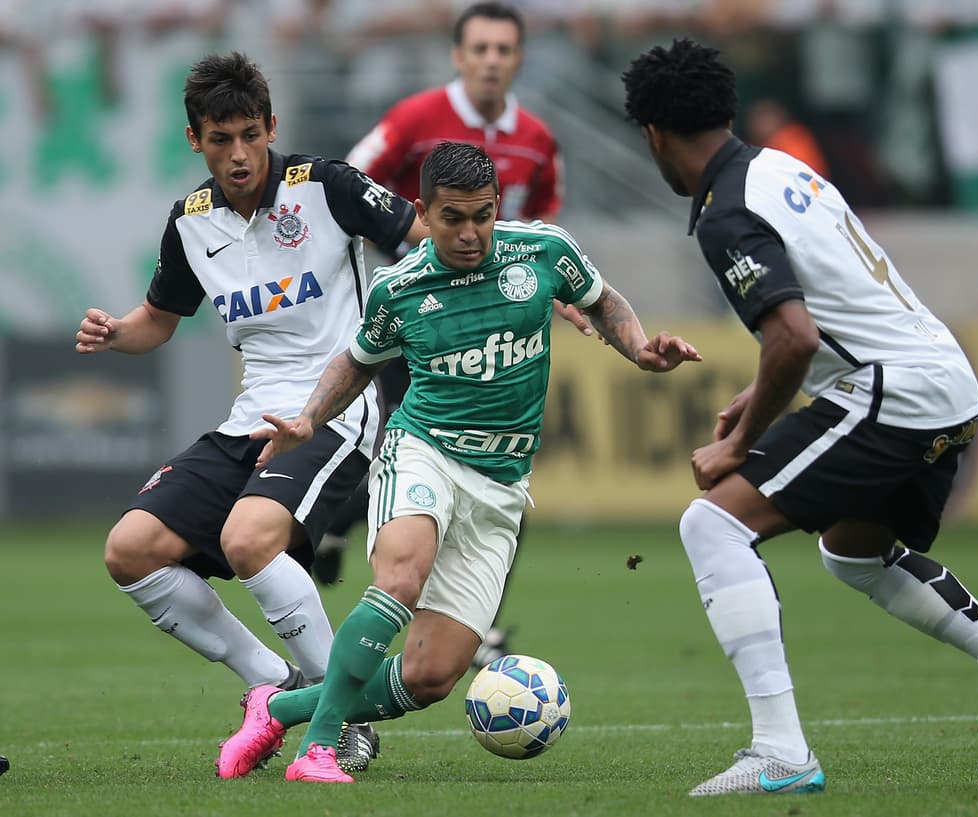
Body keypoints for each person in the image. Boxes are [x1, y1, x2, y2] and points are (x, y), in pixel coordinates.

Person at [620, 39, 978, 796]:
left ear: (652, 134)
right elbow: (825, 318)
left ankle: (781, 751)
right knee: (854, 551)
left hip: (894, 389)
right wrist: (762, 396)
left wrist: (740, 441)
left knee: (712, 523)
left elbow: (795, 335)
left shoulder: (724, 211)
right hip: (944, 382)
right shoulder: (781, 166)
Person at [214, 141, 702, 782]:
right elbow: (357, 362)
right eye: (452, 219)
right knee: (400, 579)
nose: (470, 234)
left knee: (430, 675)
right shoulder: (402, 286)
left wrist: (639, 349)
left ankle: (278, 707)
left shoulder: (545, 252)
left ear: (498, 207)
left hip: (501, 485)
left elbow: (603, 299)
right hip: (424, 453)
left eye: (482, 216)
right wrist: (309, 418)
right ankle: (319, 750)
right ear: (425, 211)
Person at [74, 51, 430, 774]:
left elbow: (425, 236)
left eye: (248, 134)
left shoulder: (325, 187)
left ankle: (341, 717)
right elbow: (158, 320)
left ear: (271, 126)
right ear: (194, 141)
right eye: (219, 139)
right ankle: (276, 681)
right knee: (131, 550)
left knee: (248, 538)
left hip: (338, 407)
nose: (237, 154)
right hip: (251, 418)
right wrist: (116, 334)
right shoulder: (192, 220)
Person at [317, 6, 592, 663]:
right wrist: (428, 244)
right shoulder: (415, 119)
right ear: (458, 56)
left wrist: (544, 283)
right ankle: (339, 520)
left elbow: (545, 209)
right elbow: (348, 181)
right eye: (481, 48)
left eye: (504, 48)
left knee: (500, 473)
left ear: (519, 57)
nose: (492, 59)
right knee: (404, 453)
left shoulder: (536, 137)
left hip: (498, 328)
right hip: (423, 318)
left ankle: (475, 621)